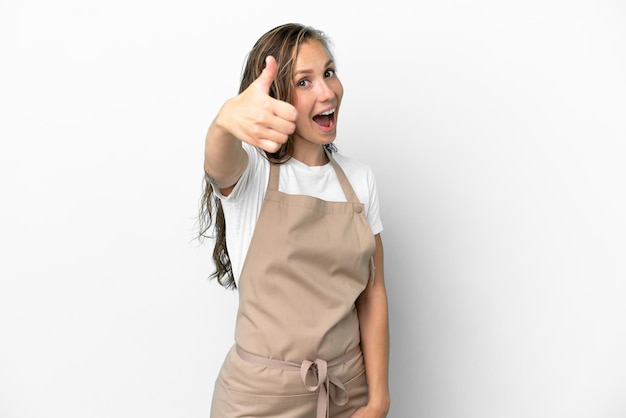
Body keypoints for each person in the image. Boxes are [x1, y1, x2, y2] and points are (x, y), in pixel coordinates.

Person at [199, 23, 390, 418]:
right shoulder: (250, 171)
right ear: (275, 97)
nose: (327, 92)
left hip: (345, 393)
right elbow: (219, 165)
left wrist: (378, 398)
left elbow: (372, 294)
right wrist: (224, 122)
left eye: (329, 73)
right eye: (304, 82)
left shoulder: (360, 179)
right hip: (259, 401)